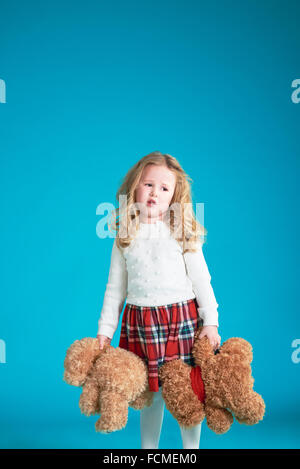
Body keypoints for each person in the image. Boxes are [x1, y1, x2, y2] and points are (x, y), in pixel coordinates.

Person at [97, 151, 221, 449]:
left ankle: (190, 451)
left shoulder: (182, 231)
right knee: (150, 392)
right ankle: (147, 450)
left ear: (175, 196)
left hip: (182, 320)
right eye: (148, 184)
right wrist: (104, 331)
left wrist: (212, 322)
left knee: (186, 391)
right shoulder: (125, 234)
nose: (155, 193)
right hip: (141, 322)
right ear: (134, 187)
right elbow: (114, 288)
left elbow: (202, 280)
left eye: (164, 188)